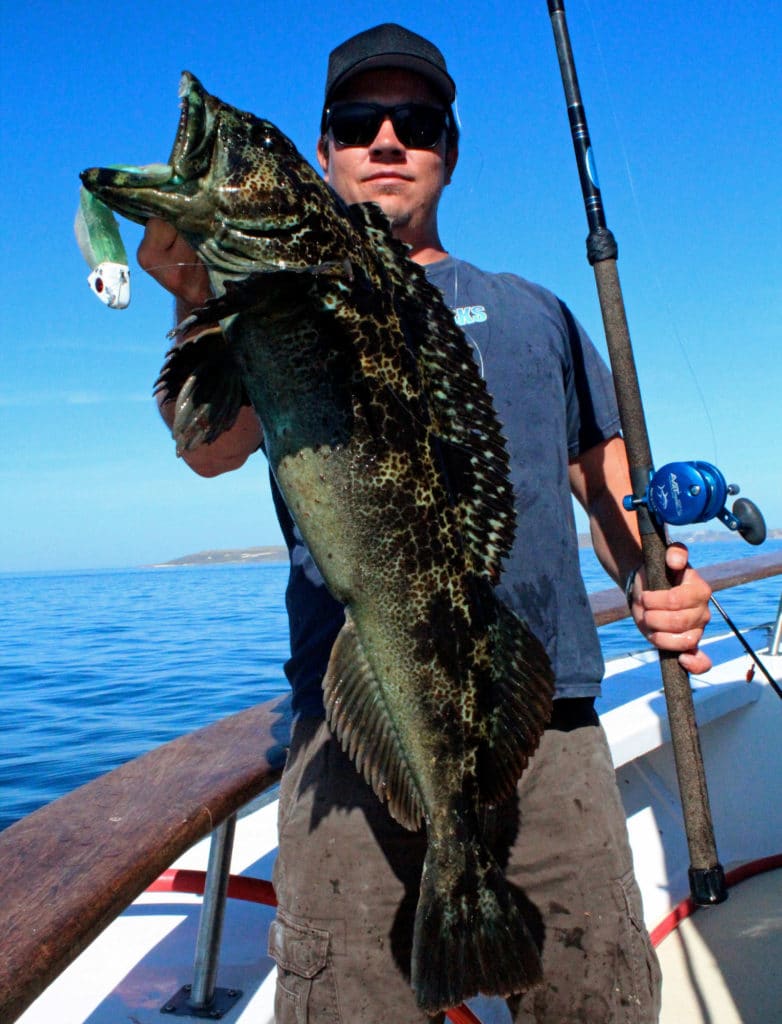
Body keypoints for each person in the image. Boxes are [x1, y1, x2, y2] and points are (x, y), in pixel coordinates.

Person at [139, 24, 712, 1023]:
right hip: (347, 738)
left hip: (547, 720)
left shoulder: (533, 310)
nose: (388, 140)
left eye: (417, 123)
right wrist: (200, 297)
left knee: (596, 997)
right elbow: (209, 444)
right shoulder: (272, 311)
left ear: (448, 150)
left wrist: (648, 576)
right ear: (322, 155)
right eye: (358, 123)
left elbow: (601, 471)